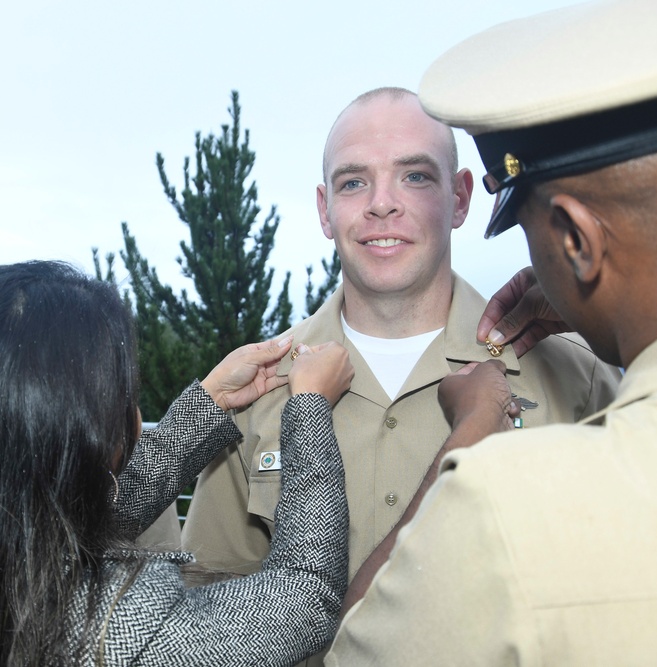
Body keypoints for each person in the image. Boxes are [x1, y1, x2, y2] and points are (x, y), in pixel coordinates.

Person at [326, 0, 657, 663]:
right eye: (355, 180)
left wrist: (472, 432)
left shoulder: (498, 509)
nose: (383, 202)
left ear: (576, 238)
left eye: (528, 230)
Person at [181, 86, 620, 663]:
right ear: (324, 209)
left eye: (414, 176)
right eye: (353, 181)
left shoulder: (575, 376)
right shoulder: (255, 389)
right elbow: (206, 619)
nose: (381, 204)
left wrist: (610, 317)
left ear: (461, 199)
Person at [0, 260, 354, 666]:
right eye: (119, 397)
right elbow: (306, 594)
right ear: (80, 442)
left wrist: (210, 404)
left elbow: (86, 520)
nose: (133, 413)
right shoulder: (117, 631)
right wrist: (308, 408)